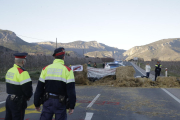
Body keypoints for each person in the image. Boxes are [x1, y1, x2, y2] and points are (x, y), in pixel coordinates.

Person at [34, 47, 76, 120]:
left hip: (47, 101)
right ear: (63, 57)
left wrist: (36, 103)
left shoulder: (45, 69)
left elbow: (39, 88)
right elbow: (71, 90)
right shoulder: (68, 70)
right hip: (61, 102)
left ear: (54, 57)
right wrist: (71, 106)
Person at [5, 53, 33, 120]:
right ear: (23, 61)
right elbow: (27, 88)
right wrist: (28, 96)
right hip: (18, 101)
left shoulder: (10, 70)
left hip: (9, 99)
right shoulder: (22, 72)